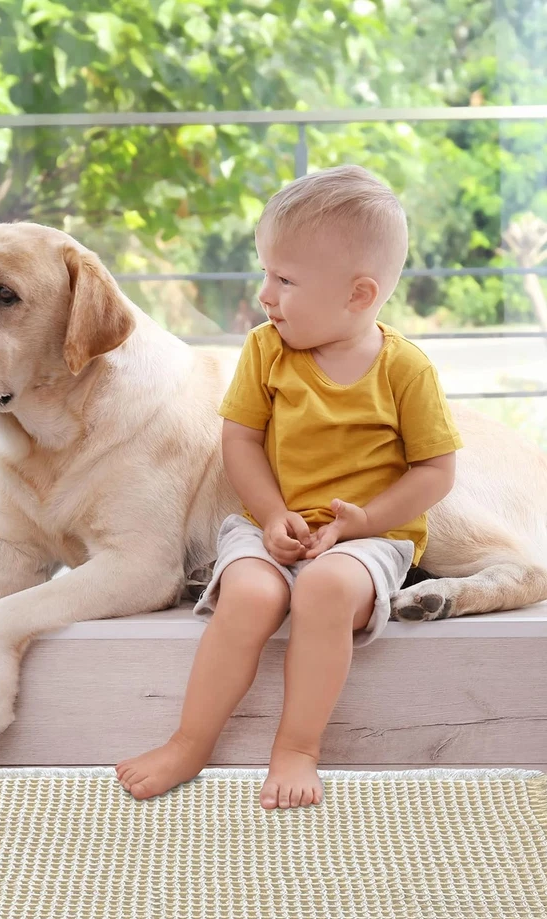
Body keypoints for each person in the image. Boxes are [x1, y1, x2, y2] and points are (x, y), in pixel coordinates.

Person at [116, 164, 463, 809]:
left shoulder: (405, 369)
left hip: (367, 538)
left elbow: (436, 472)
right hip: (270, 525)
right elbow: (240, 441)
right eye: (265, 273)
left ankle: (298, 748)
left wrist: (362, 522)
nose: (264, 295)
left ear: (358, 295)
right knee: (249, 594)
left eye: (285, 280)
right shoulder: (266, 350)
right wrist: (272, 514)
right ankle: (189, 743)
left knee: (325, 590)